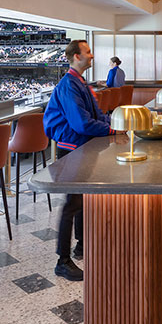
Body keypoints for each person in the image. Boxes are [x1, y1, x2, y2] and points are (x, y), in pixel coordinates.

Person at [43, 40, 113, 281]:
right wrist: (112, 131)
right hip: (72, 148)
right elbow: (81, 123)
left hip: (82, 146)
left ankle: (82, 245)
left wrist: (111, 127)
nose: (91, 56)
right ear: (75, 56)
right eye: (88, 52)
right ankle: (62, 261)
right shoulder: (69, 84)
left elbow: (97, 115)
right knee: (72, 203)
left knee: (82, 198)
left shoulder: (80, 81)